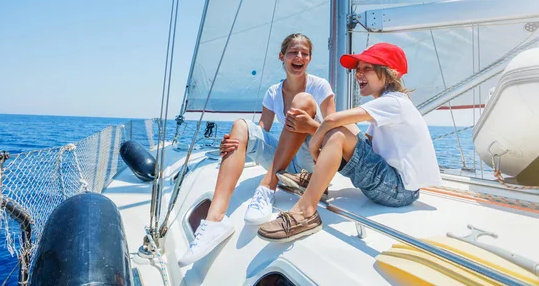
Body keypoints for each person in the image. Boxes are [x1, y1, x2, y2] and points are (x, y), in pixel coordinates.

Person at [258, 42, 442, 242]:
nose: (358, 74)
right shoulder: (392, 103)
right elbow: (364, 144)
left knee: (337, 133)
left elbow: (331, 120)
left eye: (367, 69)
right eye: (357, 69)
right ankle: (315, 182)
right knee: (349, 130)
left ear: (390, 74)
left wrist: (314, 143)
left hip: (399, 190)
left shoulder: (394, 102)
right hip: (398, 187)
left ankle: (305, 212)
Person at [178, 33, 336, 266]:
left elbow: (333, 133)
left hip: (314, 160)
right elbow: (263, 129)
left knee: (303, 101)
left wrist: (309, 126)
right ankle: (214, 221)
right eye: (293, 52)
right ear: (282, 57)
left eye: (304, 53)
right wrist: (238, 142)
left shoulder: (319, 86)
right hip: (288, 163)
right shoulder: (273, 92)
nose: (299, 56)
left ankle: (268, 184)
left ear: (309, 59)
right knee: (241, 126)